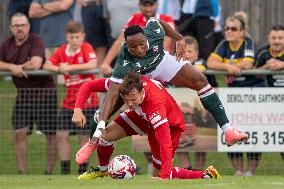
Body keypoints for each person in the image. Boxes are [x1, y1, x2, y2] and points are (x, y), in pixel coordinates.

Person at [93, 16, 248, 154]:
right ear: (126, 45)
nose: (139, 49)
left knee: (200, 80)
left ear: (146, 37)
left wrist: (178, 37)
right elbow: (112, 93)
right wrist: (101, 123)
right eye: (133, 46)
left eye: (142, 44)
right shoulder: (123, 57)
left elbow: (158, 22)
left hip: (162, 63)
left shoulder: (153, 31)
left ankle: (228, 131)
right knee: (120, 94)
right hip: (142, 76)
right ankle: (99, 127)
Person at [73, 72, 221, 180]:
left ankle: (206, 175)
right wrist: (78, 109)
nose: (129, 104)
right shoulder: (122, 84)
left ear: (142, 92)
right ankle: (103, 169)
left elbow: (165, 142)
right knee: (105, 135)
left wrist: (163, 176)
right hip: (142, 117)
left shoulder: (155, 104)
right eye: (126, 100)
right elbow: (88, 85)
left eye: (133, 99)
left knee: (162, 174)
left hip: (170, 127)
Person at [207, 12, 266, 176]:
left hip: (252, 93)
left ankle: (251, 171)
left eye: (233, 28)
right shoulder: (224, 44)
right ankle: (238, 170)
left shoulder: (248, 42)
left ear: (242, 32)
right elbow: (211, 62)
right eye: (227, 28)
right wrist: (228, 67)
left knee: (254, 132)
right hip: (234, 95)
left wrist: (228, 63)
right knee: (232, 131)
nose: (229, 31)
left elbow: (248, 63)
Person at [0, 12, 57, 174]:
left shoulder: (35, 40)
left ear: (28, 26)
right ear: (11, 28)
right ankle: (21, 173)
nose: (20, 29)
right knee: (19, 132)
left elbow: (36, 63)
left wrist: (18, 67)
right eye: (16, 26)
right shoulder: (6, 45)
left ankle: (50, 173)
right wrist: (11, 68)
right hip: (23, 96)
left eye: (23, 25)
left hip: (45, 95)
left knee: (51, 135)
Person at [43, 21, 99, 174]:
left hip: (88, 103)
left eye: (77, 37)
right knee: (61, 135)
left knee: (83, 137)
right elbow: (46, 66)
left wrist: (70, 68)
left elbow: (93, 64)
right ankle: (65, 171)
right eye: (71, 37)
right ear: (66, 37)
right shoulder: (62, 50)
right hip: (69, 103)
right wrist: (59, 68)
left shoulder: (86, 48)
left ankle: (82, 171)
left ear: (83, 36)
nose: (75, 40)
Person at [100, 0, 175, 74]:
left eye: (151, 5)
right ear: (139, 5)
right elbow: (120, 41)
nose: (148, 9)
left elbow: (165, 45)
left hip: (160, 67)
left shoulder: (166, 19)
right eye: (145, 5)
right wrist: (106, 63)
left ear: (157, 4)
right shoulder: (134, 18)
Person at [176, 36, 209, 170]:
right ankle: (187, 167)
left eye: (189, 52)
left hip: (199, 105)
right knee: (179, 137)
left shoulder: (201, 62)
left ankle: (199, 168)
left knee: (200, 140)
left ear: (197, 53)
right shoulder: (175, 62)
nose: (186, 55)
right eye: (183, 52)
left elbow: (199, 69)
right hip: (180, 105)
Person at [255, 24, 284, 162]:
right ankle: (250, 173)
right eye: (274, 38)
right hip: (269, 105)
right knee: (273, 137)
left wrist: (282, 65)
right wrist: (267, 67)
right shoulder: (262, 53)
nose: (277, 41)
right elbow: (252, 74)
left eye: (280, 38)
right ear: (269, 38)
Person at [77, 0, 109, 66]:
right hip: (89, 6)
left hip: (107, 6)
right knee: (93, 45)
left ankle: (101, 72)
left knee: (107, 43)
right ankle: (98, 74)